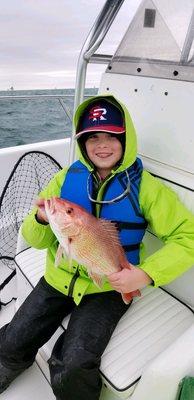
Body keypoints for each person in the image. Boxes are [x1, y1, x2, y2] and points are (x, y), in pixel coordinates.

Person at [0, 94, 194, 399]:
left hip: (106, 289)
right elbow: (37, 241)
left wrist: (143, 275)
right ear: (82, 143)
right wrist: (39, 218)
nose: (102, 145)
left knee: (76, 363)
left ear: (126, 138)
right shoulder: (64, 180)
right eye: (92, 138)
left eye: (111, 136)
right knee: (12, 342)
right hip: (58, 278)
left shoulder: (148, 188)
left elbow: (188, 237)